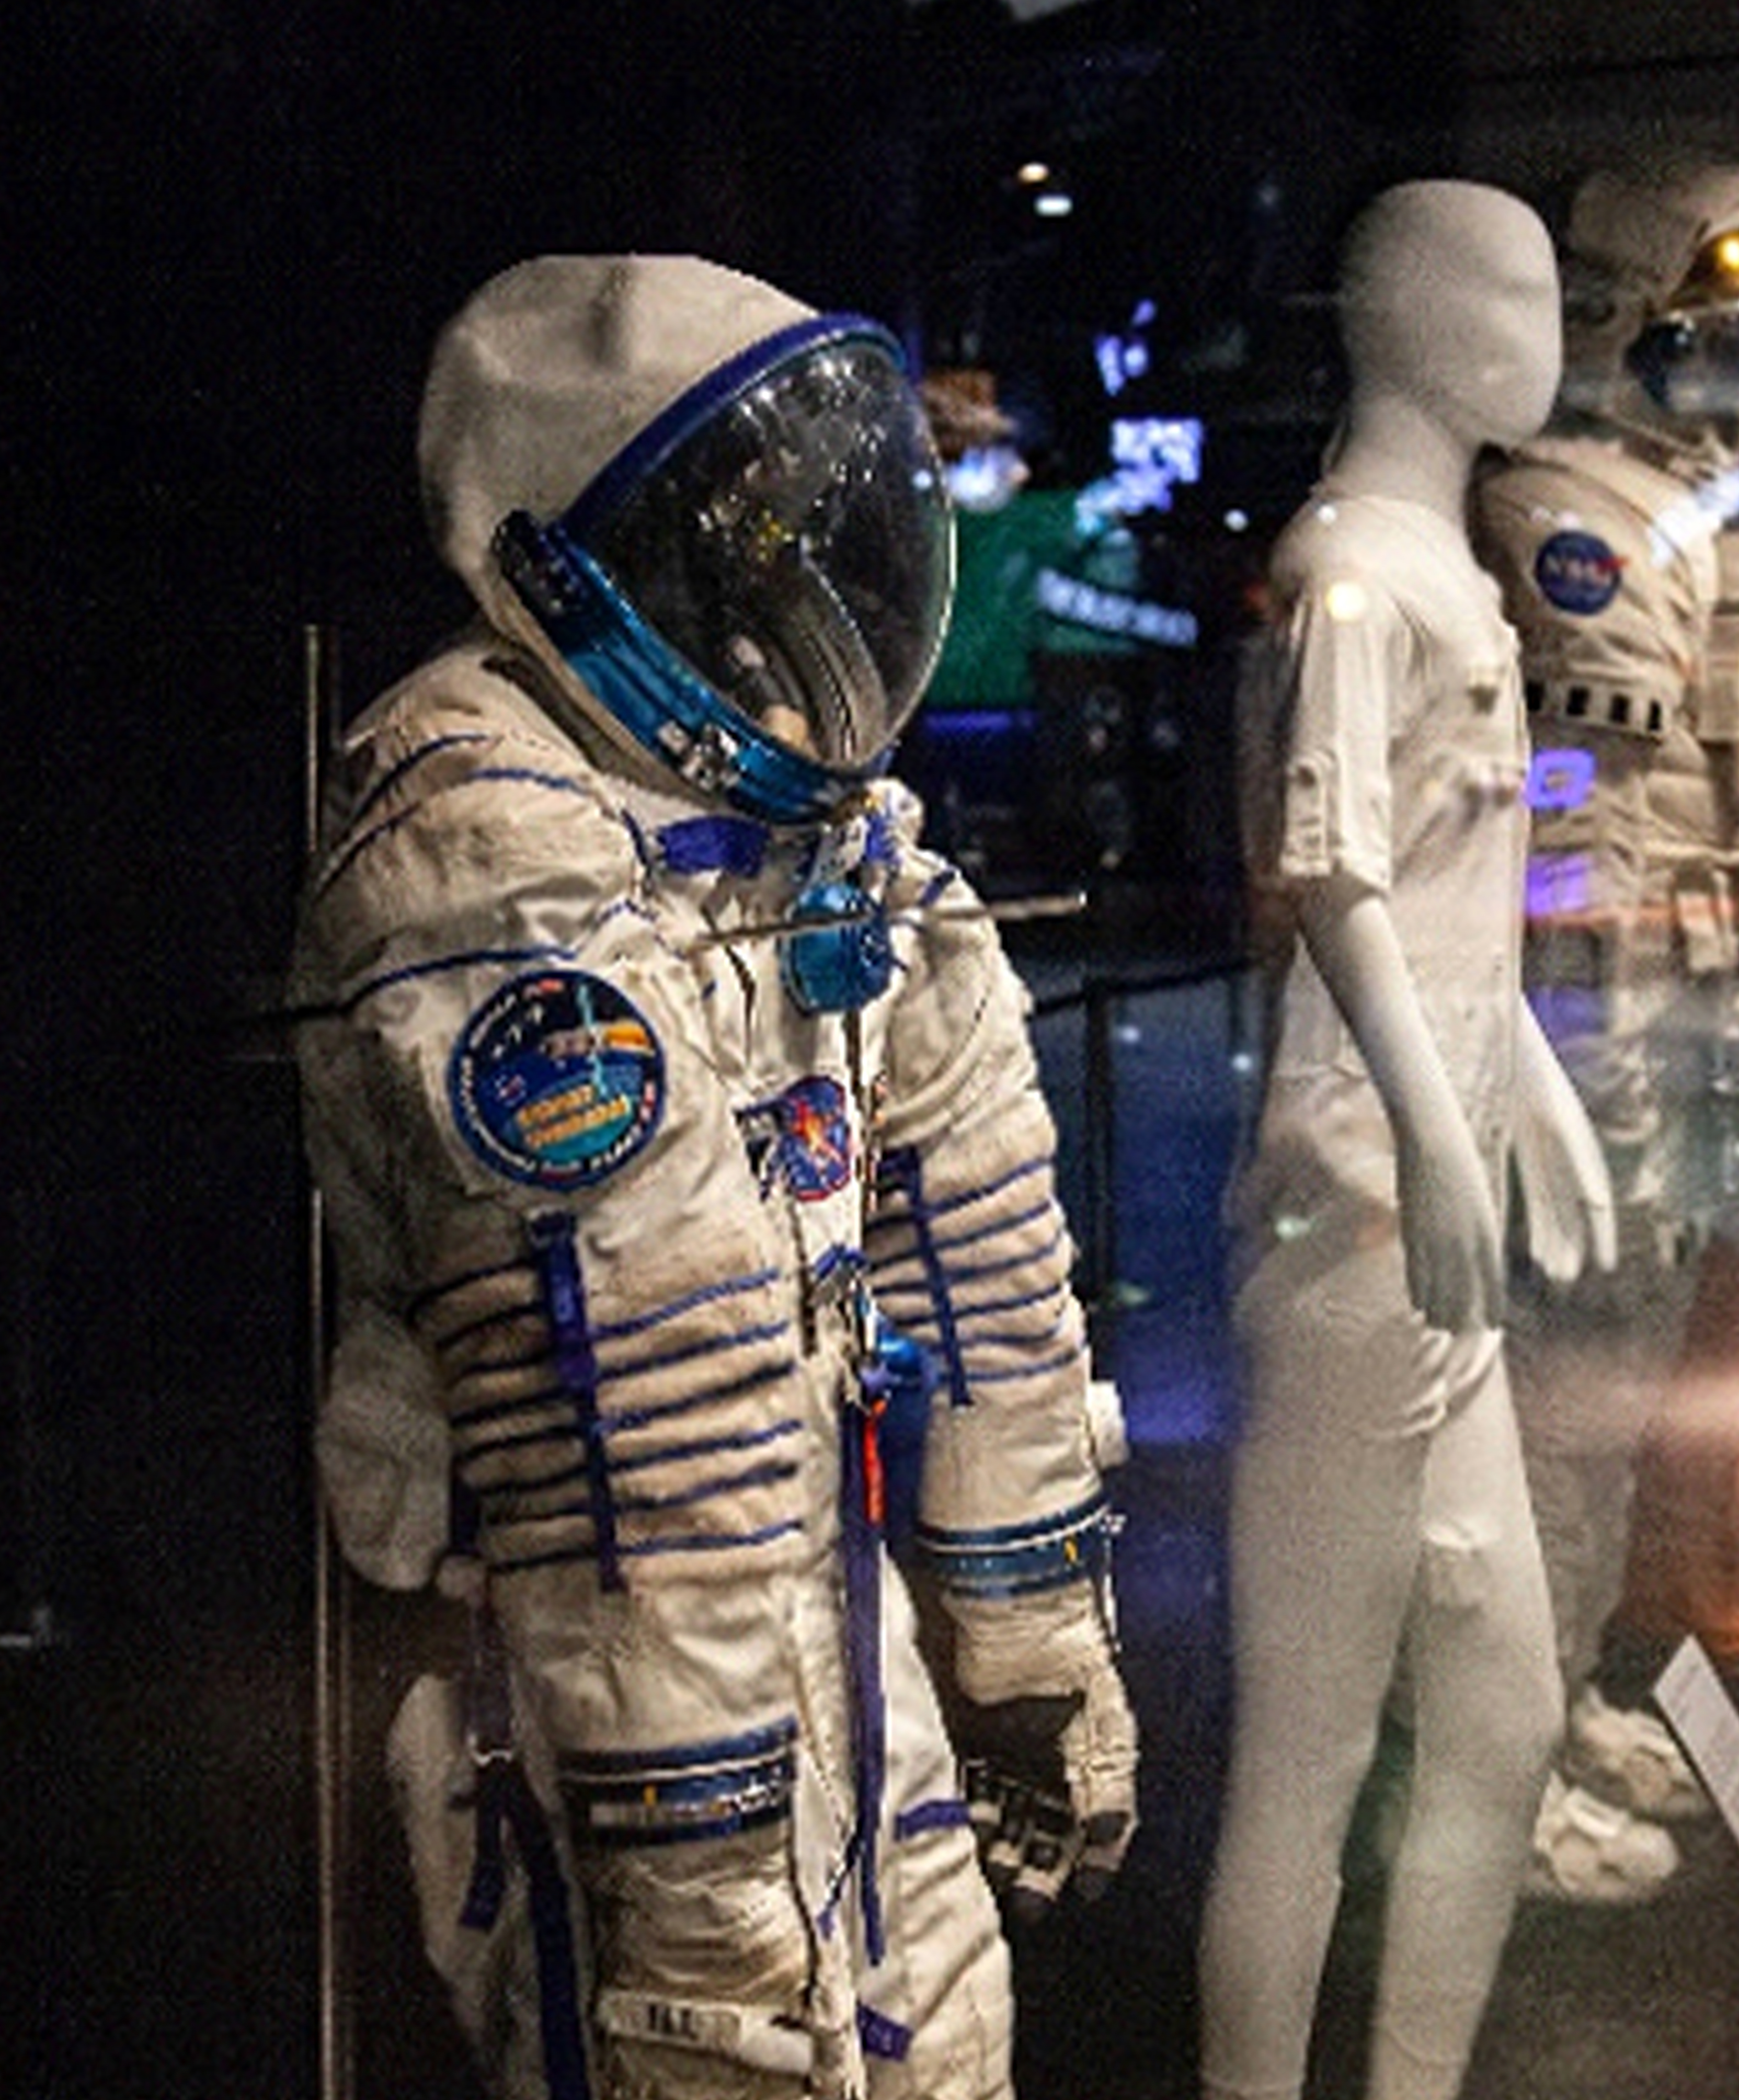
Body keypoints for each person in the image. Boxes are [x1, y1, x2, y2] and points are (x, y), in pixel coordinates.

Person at [290, 254, 1138, 2099]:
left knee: (948, 2037)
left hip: (820, 1600)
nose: (791, 608)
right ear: (570, 569)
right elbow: (636, 1430)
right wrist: (694, 1864)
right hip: (621, 1680)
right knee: (711, 2034)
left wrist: (1032, 1640)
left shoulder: (809, 828)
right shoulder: (481, 854)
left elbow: (979, 1229)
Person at [1199, 180, 1616, 2100]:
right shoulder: (1355, 578)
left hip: (1425, 1237)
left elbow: (1443, 893)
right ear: (1425, 320)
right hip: (1358, 1231)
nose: (1547, 328)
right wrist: (1444, 1140)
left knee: (1505, 1718)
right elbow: (1333, 880)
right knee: (1308, 1745)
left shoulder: (1442, 577)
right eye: (1519, 292)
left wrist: (1515, 1079)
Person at [1470, 159, 1739, 1902]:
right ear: (1619, 329)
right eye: (1715, 343)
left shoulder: (1679, 514)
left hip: (1690, 1006)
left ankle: (1560, 1697)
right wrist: (1607, 905)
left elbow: (1712, 779)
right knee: (1557, 1424)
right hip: (1590, 1025)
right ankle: (1495, 1754)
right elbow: (1543, 783)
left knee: (1622, 1408)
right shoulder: (1555, 521)